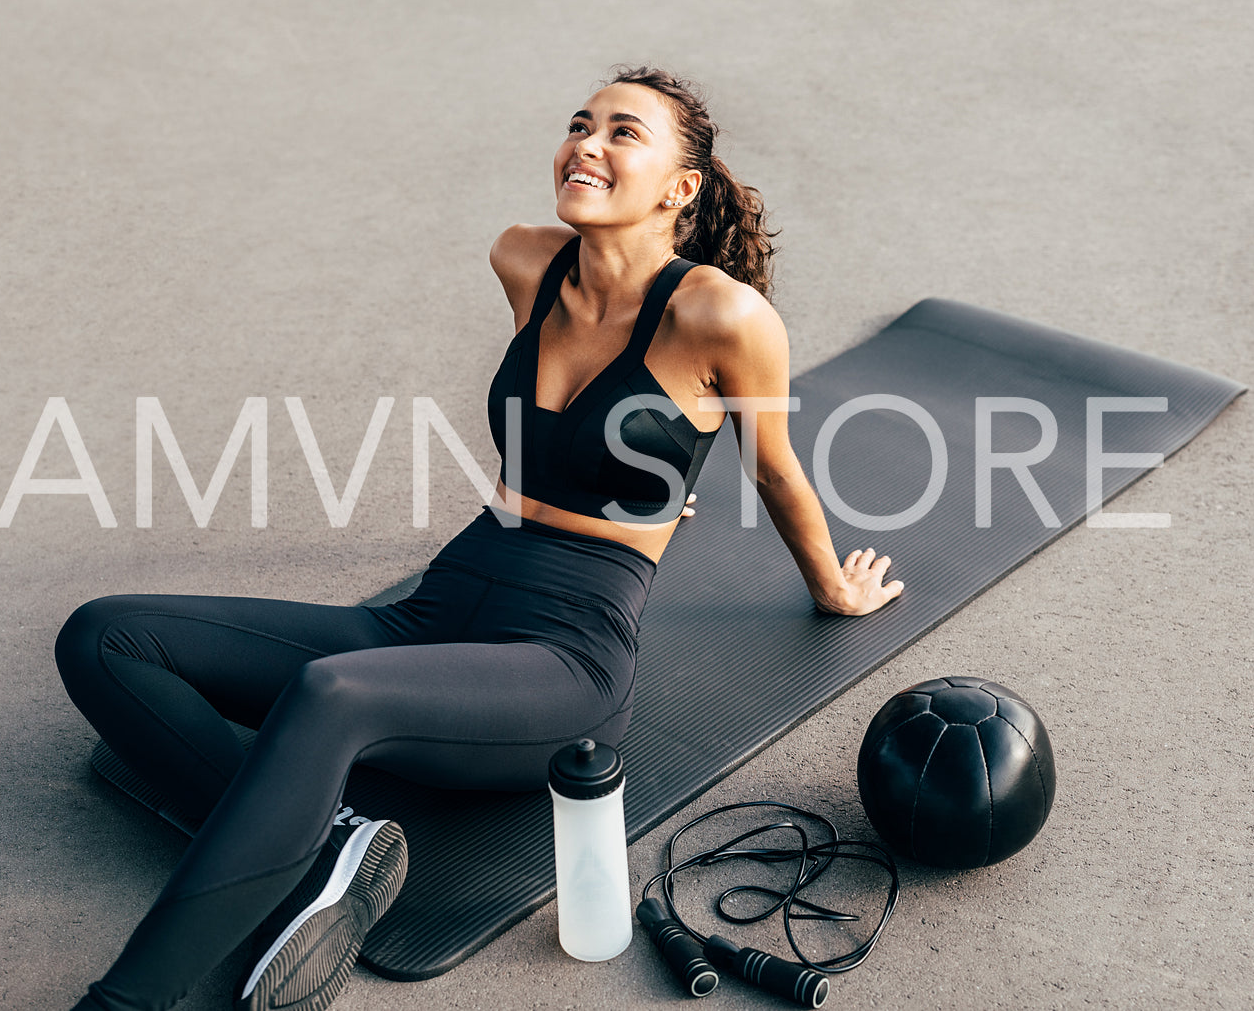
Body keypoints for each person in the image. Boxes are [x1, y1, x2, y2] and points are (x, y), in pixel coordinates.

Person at [55, 65, 904, 1011]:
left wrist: (830, 586)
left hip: (562, 660)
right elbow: (551, 446)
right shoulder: (522, 259)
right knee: (104, 635)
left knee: (328, 693)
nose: (586, 143)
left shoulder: (722, 316)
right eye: (580, 123)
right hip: (437, 608)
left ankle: (123, 1002)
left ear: (681, 186)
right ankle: (328, 851)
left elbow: (774, 465)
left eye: (623, 132)